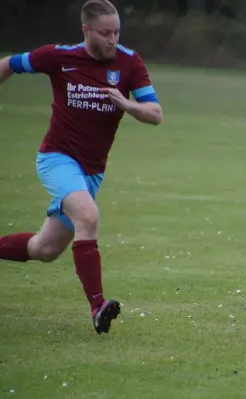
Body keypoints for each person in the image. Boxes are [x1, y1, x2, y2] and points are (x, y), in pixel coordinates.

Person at [0, 0, 163, 335]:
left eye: (117, 31)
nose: (112, 39)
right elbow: (10, 63)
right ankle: (98, 307)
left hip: (91, 172)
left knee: (45, 249)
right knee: (88, 217)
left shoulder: (129, 63)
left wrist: (127, 104)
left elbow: (155, 114)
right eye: (105, 33)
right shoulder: (59, 57)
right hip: (57, 158)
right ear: (85, 30)